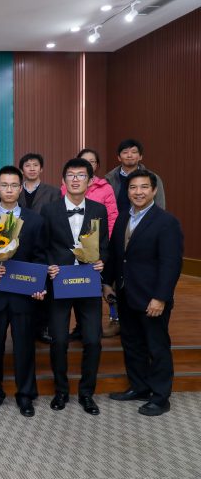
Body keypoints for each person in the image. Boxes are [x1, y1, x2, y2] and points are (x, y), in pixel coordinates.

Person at [104, 170, 183, 416]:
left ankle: (160, 397)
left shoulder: (166, 222)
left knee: (156, 347)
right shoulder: (122, 219)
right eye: (133, 188)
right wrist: (107, 283)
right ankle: (139, 387)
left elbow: (171, 264)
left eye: (144, 187)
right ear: (127, 191)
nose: (138, 192)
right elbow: (117, 255)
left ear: (154, 190)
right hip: (126, 294)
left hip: (152, 298)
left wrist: (160, 297)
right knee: (132, 344)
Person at [41, 158, 109, 416]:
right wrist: (49, 266)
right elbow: (43, 246)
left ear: (90, 181)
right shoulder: (49, 210)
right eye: (71, 175)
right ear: (63, 180)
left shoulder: (99, 209)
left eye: (81, 175)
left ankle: (86, 393)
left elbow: (105, 245)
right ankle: (61, 391)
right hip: (60, 282)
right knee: (59, 340)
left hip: (88, 282)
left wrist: (103, 261)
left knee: (92, 340)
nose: (76, 179)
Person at [0, 166, 46, 417]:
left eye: (14, 185)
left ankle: (26, 395)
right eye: (4, 185)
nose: (9, 190)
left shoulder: (35, 220)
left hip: (23, 294)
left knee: (25, 347)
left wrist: (38, 285)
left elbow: (40, 256)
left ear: (20, 188)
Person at [63, 148, 119, 340]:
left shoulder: (105, 187)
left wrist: (103, 246)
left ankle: (93, 328)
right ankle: (79, 327)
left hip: (93, 248)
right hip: (69, 249)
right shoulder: (68, 185)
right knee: (70, 289)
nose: (88, 163)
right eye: (84, 160)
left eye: (92, 161)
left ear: (96, 166)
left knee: (91, 292)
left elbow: (111, 217)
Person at [18, 152, 61, 344]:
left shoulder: (53, 192)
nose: (32, 168)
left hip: (44, 243)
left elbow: (56, 219)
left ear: (41, 169)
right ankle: (25, 327)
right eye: (28, 165)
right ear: (22, 169)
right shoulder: (16, 189)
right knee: (22, 287)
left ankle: (43, 327)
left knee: (43, 288)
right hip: (18, 246)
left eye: (35, 165)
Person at [104, 138, 166, 212]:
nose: (129, 155)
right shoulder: (109, 178)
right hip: (116, 219)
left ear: (140, 157)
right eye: (125, 152)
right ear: (119, 158)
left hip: (144, 219)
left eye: (134, 152)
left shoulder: (152, 177)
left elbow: (160, 204)